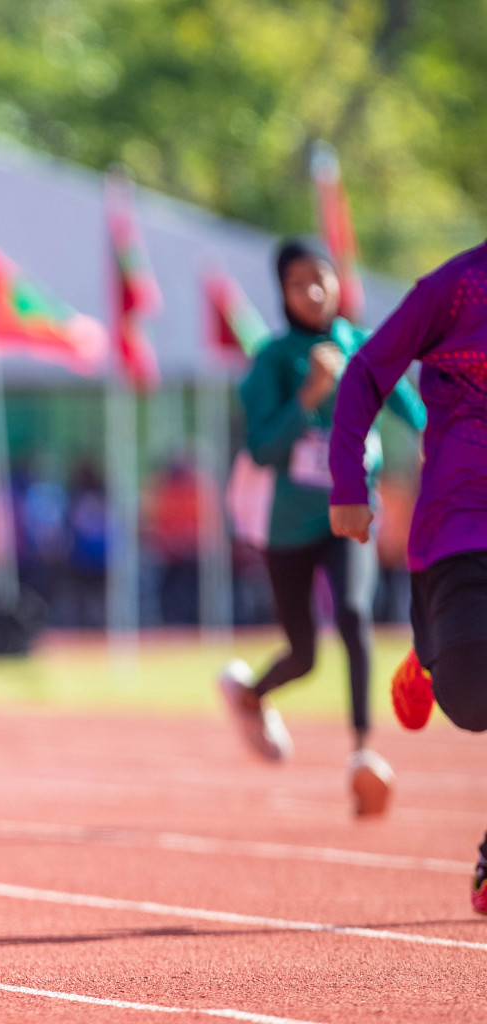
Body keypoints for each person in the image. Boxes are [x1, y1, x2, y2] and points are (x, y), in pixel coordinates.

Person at [220, 239, 425, 817]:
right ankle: (251, 693)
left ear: (339, 282)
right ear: (281, 294)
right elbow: (261, 450)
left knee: (357, 614)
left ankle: (363, 754)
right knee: (304, 653)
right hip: (287, 527)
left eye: (322, 279)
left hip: (349, 513)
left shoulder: (363, 347)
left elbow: (412, 409)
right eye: (297, 283)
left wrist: (445, 441)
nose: (313, 292)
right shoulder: (273, 359)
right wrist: (309, 394)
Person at [327, 239, 487, 905]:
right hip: (460, 522)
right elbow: (366, 371)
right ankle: (429, 656)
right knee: (475, 703)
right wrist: (345, 486)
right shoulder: (456, 287)